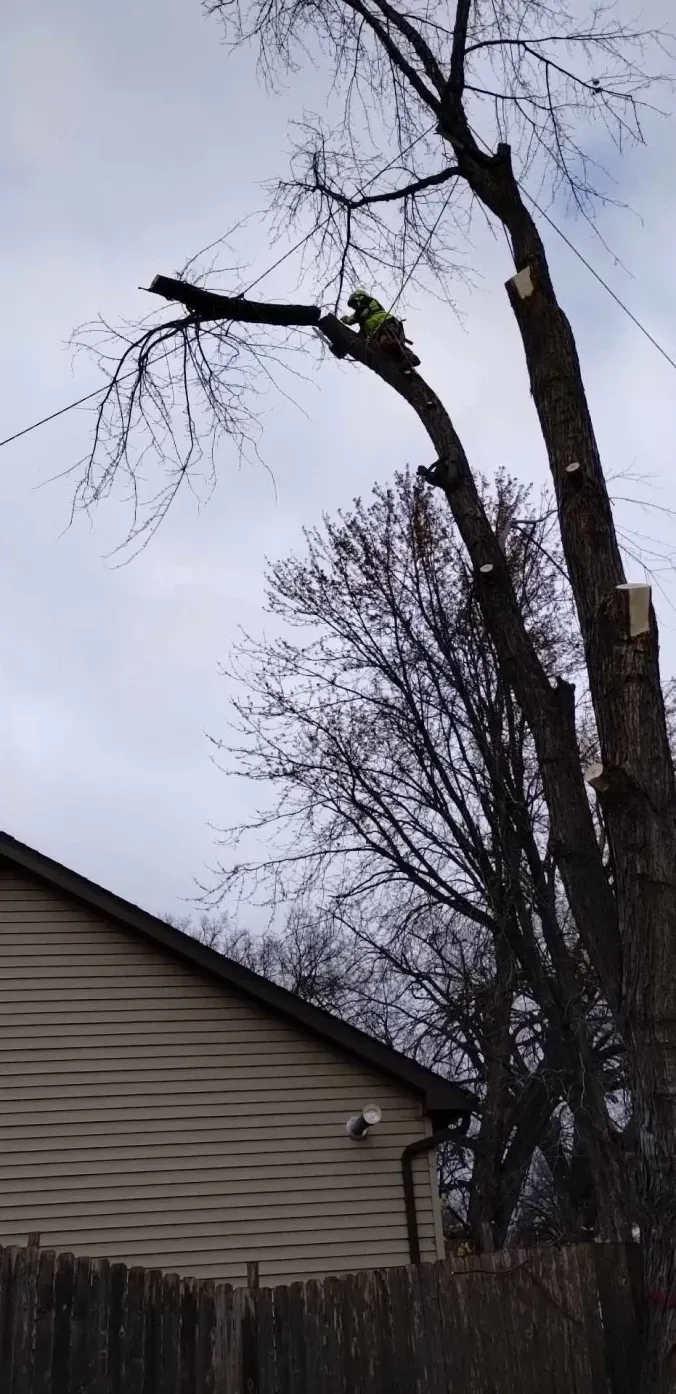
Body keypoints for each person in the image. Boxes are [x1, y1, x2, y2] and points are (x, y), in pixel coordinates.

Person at [340, 291, 421, 370]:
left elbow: (359, 313)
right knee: (387, 348)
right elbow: (362, 334)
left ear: (359, 297)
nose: (354, 307)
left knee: (387, 343)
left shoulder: (367, 301)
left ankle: (410, 357)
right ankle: (404, 363)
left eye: (354, 303)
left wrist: (347, 319)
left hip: (386, 325)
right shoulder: (365, 321)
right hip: (384, 329)